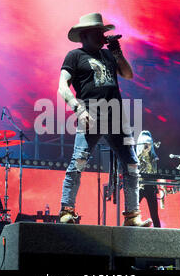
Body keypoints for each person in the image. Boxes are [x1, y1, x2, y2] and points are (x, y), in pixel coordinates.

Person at [58, 12, 152, 227]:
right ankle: (66, 210)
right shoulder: (75, 56)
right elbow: (62, 86)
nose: (103, 35)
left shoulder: (109, 55)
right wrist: (77, 108)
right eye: (98, 32)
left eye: (103, 32)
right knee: (78, 161)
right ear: (86, 34)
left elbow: (128, 74)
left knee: (131, 164)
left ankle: (132, 216)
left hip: (116, 116)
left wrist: (117, 52)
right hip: (90, 115)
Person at [136, 130, 162, 228]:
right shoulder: (137, 156)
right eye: (146, 144)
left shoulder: (154, 157)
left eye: (149, 144)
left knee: (154, 214)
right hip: (140, 187)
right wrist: (143, 153)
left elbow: (154, 173)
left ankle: (158, 233)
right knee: (132, 211)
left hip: (151, 187)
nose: (148, 146)